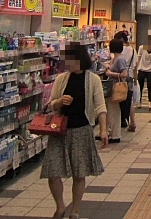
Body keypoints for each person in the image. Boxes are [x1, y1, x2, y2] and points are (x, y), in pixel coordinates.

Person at [42, 44, 107, 219]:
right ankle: (60, 206)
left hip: (81, 130)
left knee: (79, 173)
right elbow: (50, 104)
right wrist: (59, 102)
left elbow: (100, 106)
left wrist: (103, 129)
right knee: (53, 172)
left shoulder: (93, 79)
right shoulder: (61, 79)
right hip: (60, 131)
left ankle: (74, 210)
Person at [104, 38, 128, 143]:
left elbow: (124, 74)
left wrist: (111, 74)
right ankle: (110, 132)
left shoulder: (120, 59)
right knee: (110, 111)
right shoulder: (115, 58)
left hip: (115, 88)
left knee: (114, 112)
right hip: (111, 88)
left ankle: (115, 135)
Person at [114, 32, 136, 131]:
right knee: (129, 100)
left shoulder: (119, 51)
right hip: (130, 76)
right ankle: (132, 122)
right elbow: (135, 66)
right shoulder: (133, 50)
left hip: (119, 78)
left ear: (121, 39)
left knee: (117, 98)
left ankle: (120, 120)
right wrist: (136, 79)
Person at [135, 35, 151, 110]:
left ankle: (150, 102)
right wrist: (136, 68)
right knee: (140, 86)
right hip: (141, 69)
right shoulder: (142, 48)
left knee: (149, 86)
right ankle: (139, 101)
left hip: (150, 70)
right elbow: (138, 58)